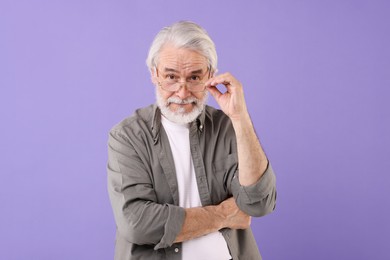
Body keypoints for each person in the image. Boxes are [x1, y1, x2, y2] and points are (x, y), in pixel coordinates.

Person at [107, 21, 277, 260]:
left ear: (210, 76)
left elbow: (258, 203)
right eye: (171, 77)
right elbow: (137, 223)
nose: (183, 92)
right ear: (154, 74)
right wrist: (225, 214)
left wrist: (240, 118)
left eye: (195, 77)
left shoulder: (228, 126)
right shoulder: (128, 136)